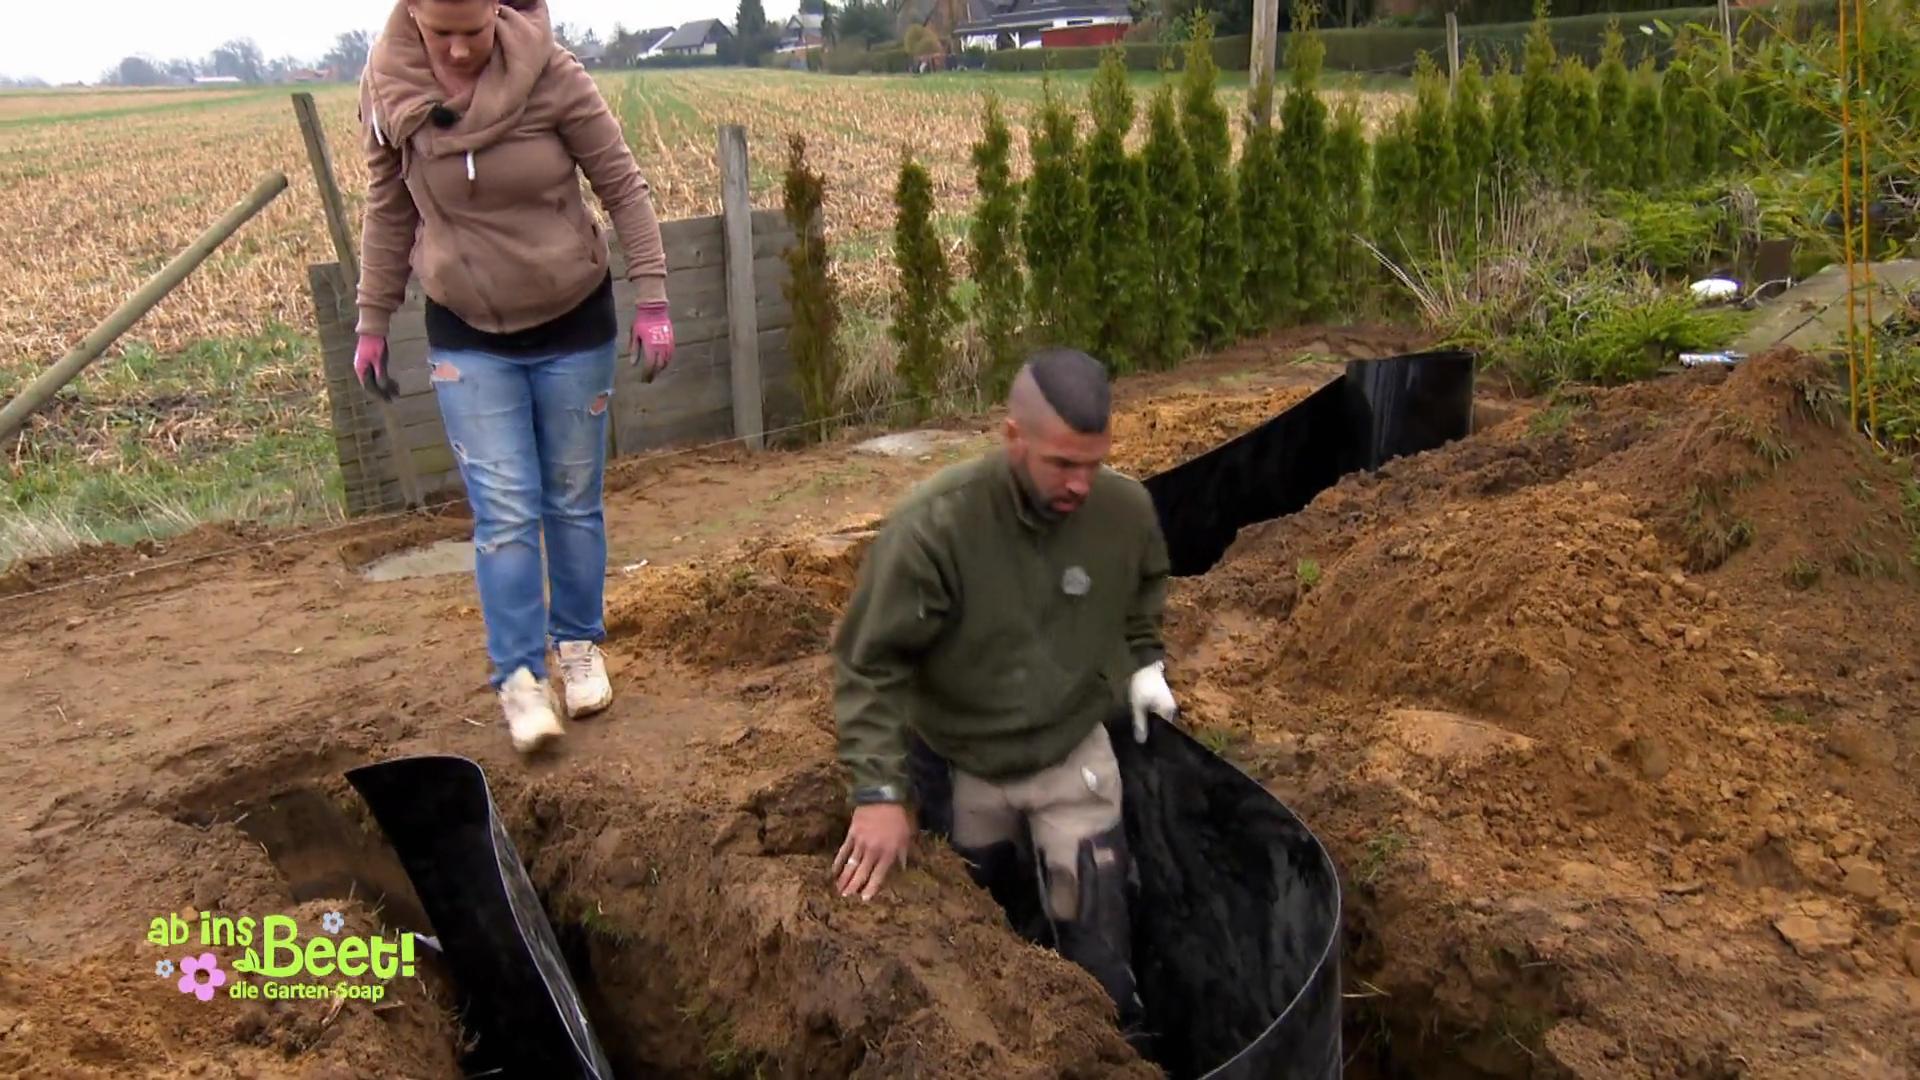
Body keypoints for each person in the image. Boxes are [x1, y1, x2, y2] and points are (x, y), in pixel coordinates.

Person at [351, 0, 677, 753]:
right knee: (503, 511)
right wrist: (373, 319)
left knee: (570, 498)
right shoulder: (390, 95)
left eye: (475, 32)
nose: (461, 51)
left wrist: (653, 297)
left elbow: (622, 186)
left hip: (572, 319)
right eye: (444, 35)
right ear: (415, 21)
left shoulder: (552, 74)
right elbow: (387, 209)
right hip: (468, 332)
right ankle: (521, 682)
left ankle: (577, 647)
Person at [828, 348, 1180, 1025]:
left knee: (1101, 959)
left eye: (1094, 461)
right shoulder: (936, 527)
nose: (1082, 483)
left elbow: (1145, 583)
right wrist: (879, 792)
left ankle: (1121, 1044)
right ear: (1013, 437)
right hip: (964, 764)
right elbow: (870, 663)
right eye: (1062, 463)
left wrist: (1143, 663)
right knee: (988, 950)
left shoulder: (1122, 511)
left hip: (1072, 754)